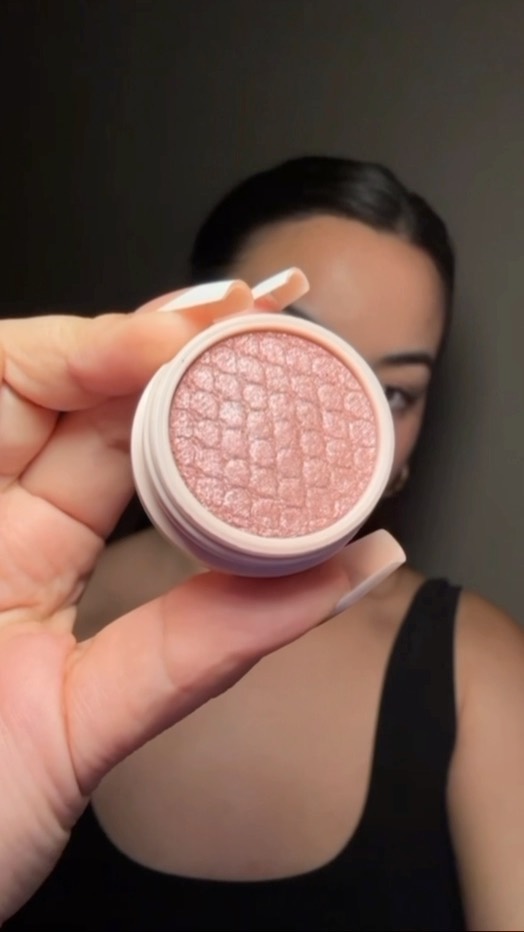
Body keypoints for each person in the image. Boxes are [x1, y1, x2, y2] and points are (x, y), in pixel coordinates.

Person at [5, 157, 524, 931]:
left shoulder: (480, 668)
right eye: (289, 350)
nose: (338, 421)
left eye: (393, 392)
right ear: (186, 337)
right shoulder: (26, 630)